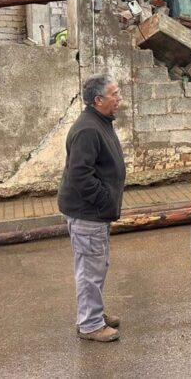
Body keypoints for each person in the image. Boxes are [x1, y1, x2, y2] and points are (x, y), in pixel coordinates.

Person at [57, 73, 126, 343]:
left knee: (96, 266)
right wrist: (104, 199)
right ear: (98, 100)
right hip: (88, 213)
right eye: (114, 94)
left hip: (94, 213)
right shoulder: (88, 129)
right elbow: (80, 175)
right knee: (90, 270)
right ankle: (90, 324)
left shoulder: (100, 121)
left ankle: (93, 313)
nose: (119, 99)